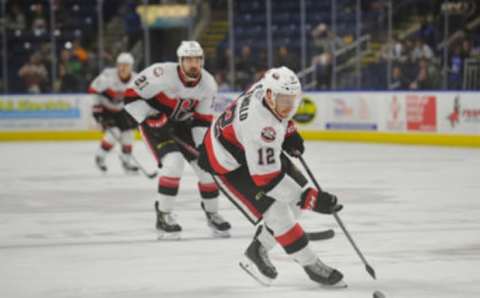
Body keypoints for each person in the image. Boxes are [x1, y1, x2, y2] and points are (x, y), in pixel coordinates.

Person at [197, 66, 345, 287]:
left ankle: (258, 249)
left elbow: (279, 120)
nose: (289, 107)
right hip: (227, 163)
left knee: (295, 202)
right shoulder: (261, 127)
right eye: (283, 100)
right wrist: (313, 199)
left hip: (248, 149)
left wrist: (290, 132)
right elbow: (267, 180)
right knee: (279, 212)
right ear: (269, 95)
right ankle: (311, 264)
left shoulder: (265, 89)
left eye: (292, 100)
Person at [123, 41, 231, 238]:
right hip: (156, 125)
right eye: (188, 59)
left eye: (197, 59)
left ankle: (212, 213)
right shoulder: (160, 74)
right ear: (180, 61)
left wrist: (202, 147)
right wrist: (149, 115)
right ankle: (163, 215)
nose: (193, 64)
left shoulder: (208, 84)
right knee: (174, 164)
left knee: (207, 167)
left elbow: (201, 120)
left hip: (184, 126)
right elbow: (130, 97)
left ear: (202, 61)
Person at [88, 52, 139, 173]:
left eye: (126, 65)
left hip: (121, 110)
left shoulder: (137, 79)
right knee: (113, 133)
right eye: (121, 65)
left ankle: (126, 162)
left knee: (128, 134)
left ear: (131, 67)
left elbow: (141, 97)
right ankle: (100, 157)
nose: (123, 68)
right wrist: (97, 110)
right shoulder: (108, 76)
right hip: (105, 109)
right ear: (117, 65)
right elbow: (93, 90)